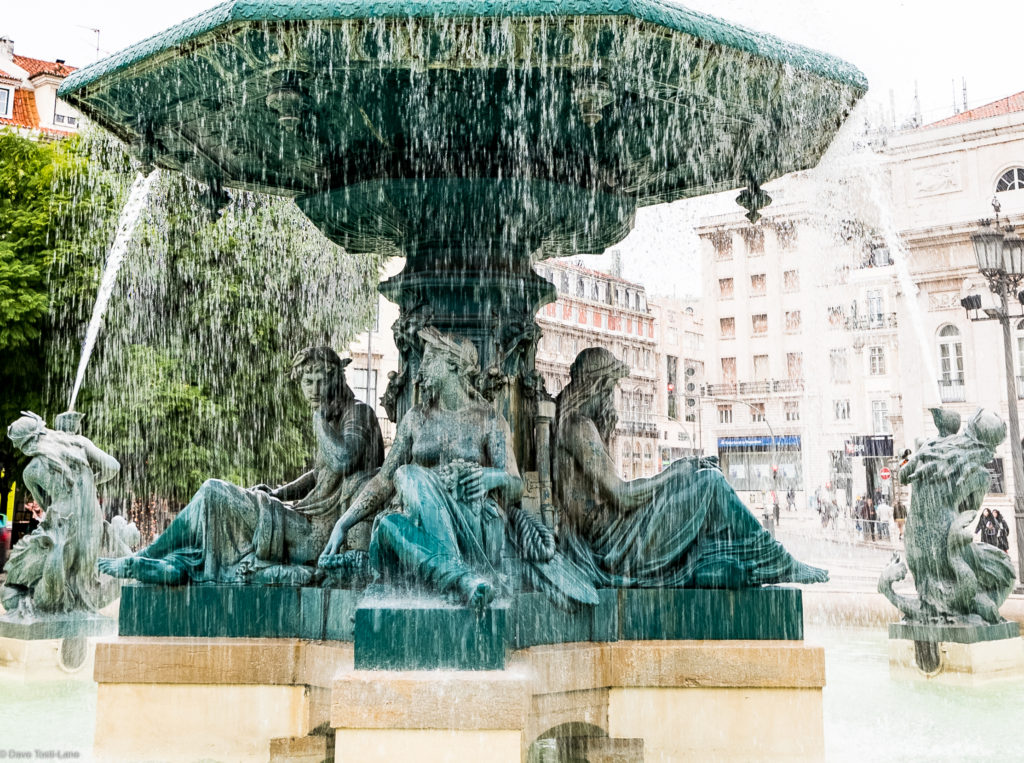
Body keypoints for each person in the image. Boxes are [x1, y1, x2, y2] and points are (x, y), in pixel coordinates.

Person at [100, 346, 384, 585]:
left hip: (318, 535)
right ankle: (175, 565)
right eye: (307, 383)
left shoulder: (359, 414)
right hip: (306, 518)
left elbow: (343, 459)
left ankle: (146, 556)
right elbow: (321, 474)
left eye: (319, 381)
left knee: (213, 492)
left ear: (335, 379)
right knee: (218, 507)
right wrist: (279, 493)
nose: (312, 390)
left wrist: (319, 420)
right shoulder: (335, 419)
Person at [550, 347, 828, 588]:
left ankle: (715, 564)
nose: (613, 399)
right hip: (616, 543)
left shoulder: (576, 425)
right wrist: (674, 472)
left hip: (621, 531)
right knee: (709, 482)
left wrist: (682, 469)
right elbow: (621, 494)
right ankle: (778, 562)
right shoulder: (578, 426)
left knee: (702, 474)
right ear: (598, 386)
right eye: (611, 389)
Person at [321, 329, 525, 610]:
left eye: (429, 361)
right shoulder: (415, 419)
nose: (420, 372)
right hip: (424, 525)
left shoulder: (488, 420)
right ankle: (461, 579)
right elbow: (382, 481)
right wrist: (343, 523)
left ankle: (455, 573)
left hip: (472, 522)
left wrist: (492, 476)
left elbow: (516, 485)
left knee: (407, 474)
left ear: (453, 365)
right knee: (387, 526)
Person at [3, 412, 130, 614]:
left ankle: (34, 602)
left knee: (36, 572)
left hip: (62, 522)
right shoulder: (79, 444)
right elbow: (113, 467)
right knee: (84, 579)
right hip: (91, 519)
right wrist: (88, 483)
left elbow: (47, 505)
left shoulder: (31, 471)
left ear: (27, 444)